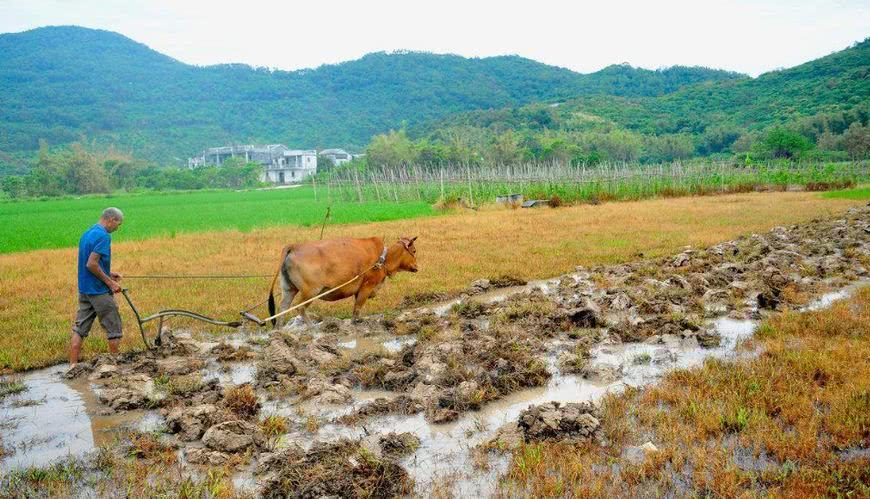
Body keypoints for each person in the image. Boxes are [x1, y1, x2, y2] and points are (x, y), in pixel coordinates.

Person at [69, 207, 124, 370]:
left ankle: (72, 366)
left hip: (85, 290)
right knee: (114, 328)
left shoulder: (88, 233)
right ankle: (115, 367)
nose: (117, 228)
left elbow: (92, 263)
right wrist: (110, 283)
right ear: (111, 219)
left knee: (80, 329)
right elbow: (91, 264)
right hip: (99, 292)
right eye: (118, 224)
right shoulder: (104, 236)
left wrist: (109, 273)